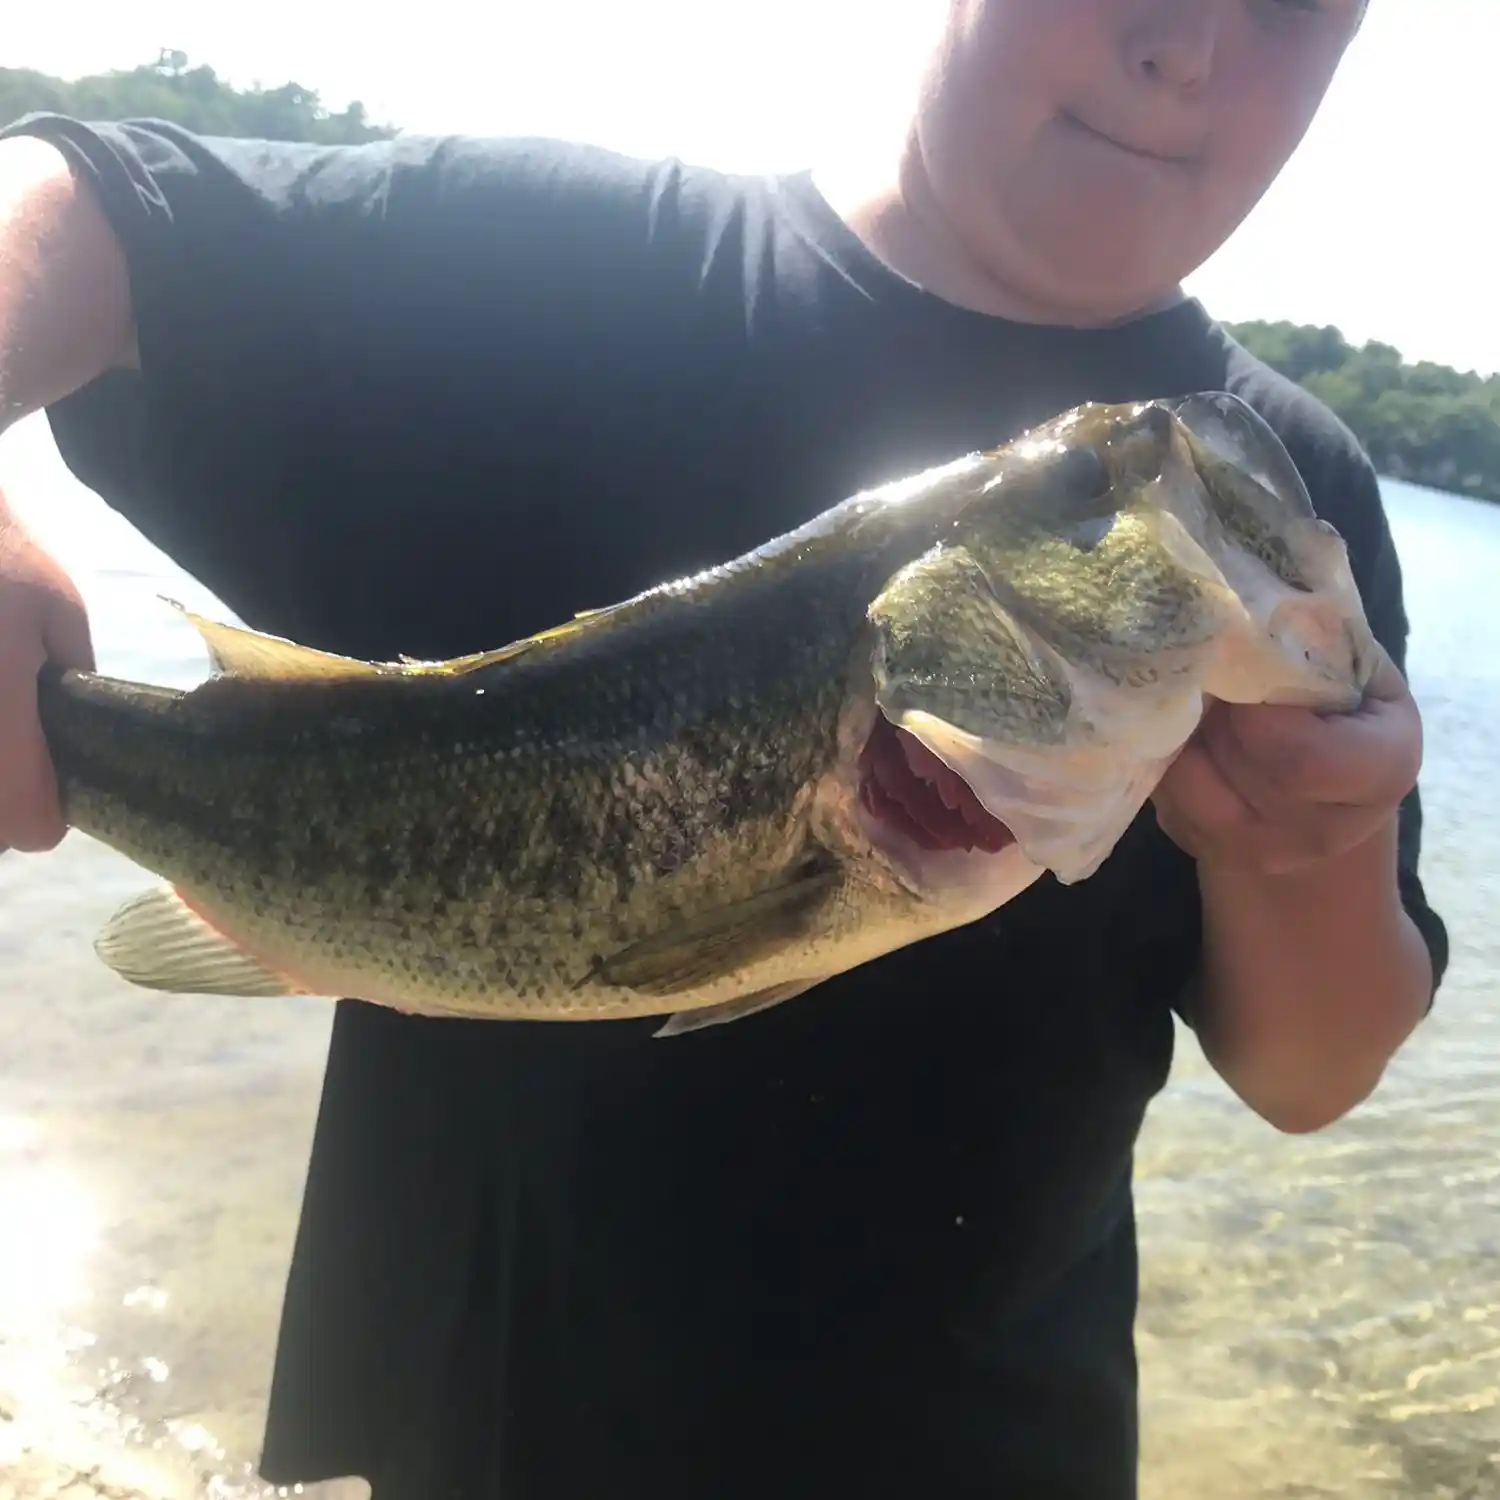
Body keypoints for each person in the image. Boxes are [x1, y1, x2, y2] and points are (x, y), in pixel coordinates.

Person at [0, 1, 1448, 1496]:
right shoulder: (576, 275)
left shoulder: (1281, 489)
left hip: (982, 1451)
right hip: (460, 1426)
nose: (1189, 45)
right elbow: (88, 197)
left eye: (1291, 5)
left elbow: (1310, 1072)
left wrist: (1313, 844)